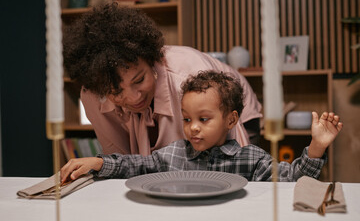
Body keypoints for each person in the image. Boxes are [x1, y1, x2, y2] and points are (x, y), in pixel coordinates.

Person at [60, 71, 342, 182]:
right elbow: (134, 165)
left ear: (231, 120)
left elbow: (293, 180)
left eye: (203, 119)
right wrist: (98, 162)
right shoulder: (172, 155)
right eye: (186, 119)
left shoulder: (252, 159)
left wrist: (316, 147)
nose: (192, 128)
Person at [63, 2, 262, 156]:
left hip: (233, 110)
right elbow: (120, 160)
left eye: (139, 80)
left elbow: (238, 162)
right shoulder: (93, 93)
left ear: (151, 60)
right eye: (116, 92)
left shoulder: (189, 77)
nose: (133, 98)